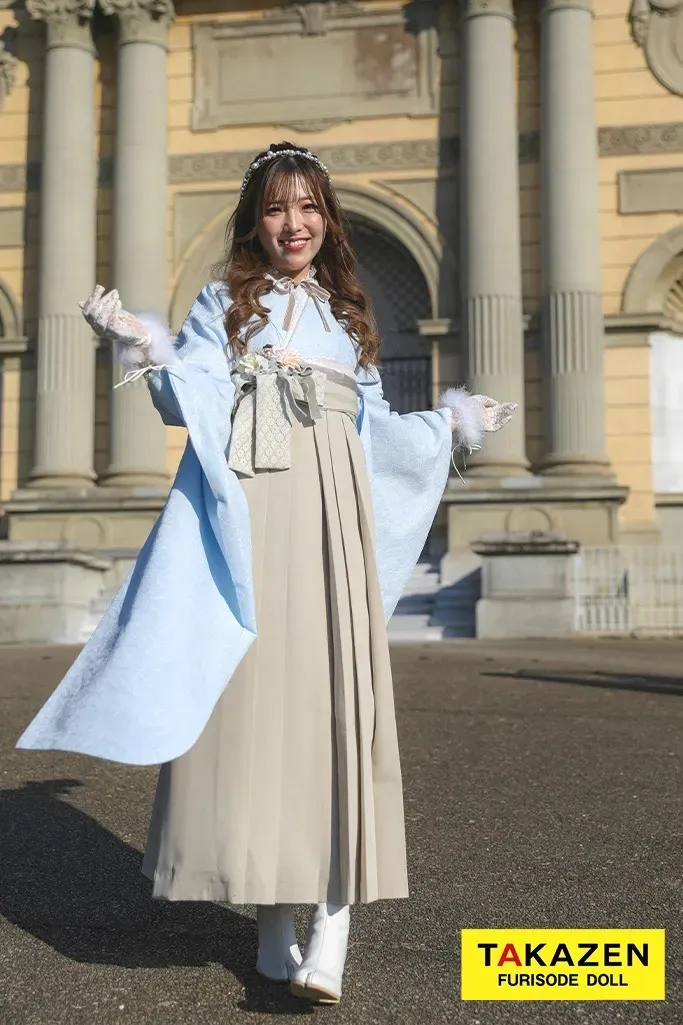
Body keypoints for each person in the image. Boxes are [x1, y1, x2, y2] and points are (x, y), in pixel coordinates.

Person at [17, 142, 515, 1005]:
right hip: (253, 516)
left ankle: (333, 919)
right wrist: (143, 346)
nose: (295, 225)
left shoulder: (348, 316)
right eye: (279, 208)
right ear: (256, 219)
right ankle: (272, 925)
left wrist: (451, 425)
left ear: (328, 218)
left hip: (329, 523)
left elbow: (377, 430)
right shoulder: (224, 304)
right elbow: (194, 400)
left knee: (331, 704)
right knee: (250, 710)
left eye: (310, 207)